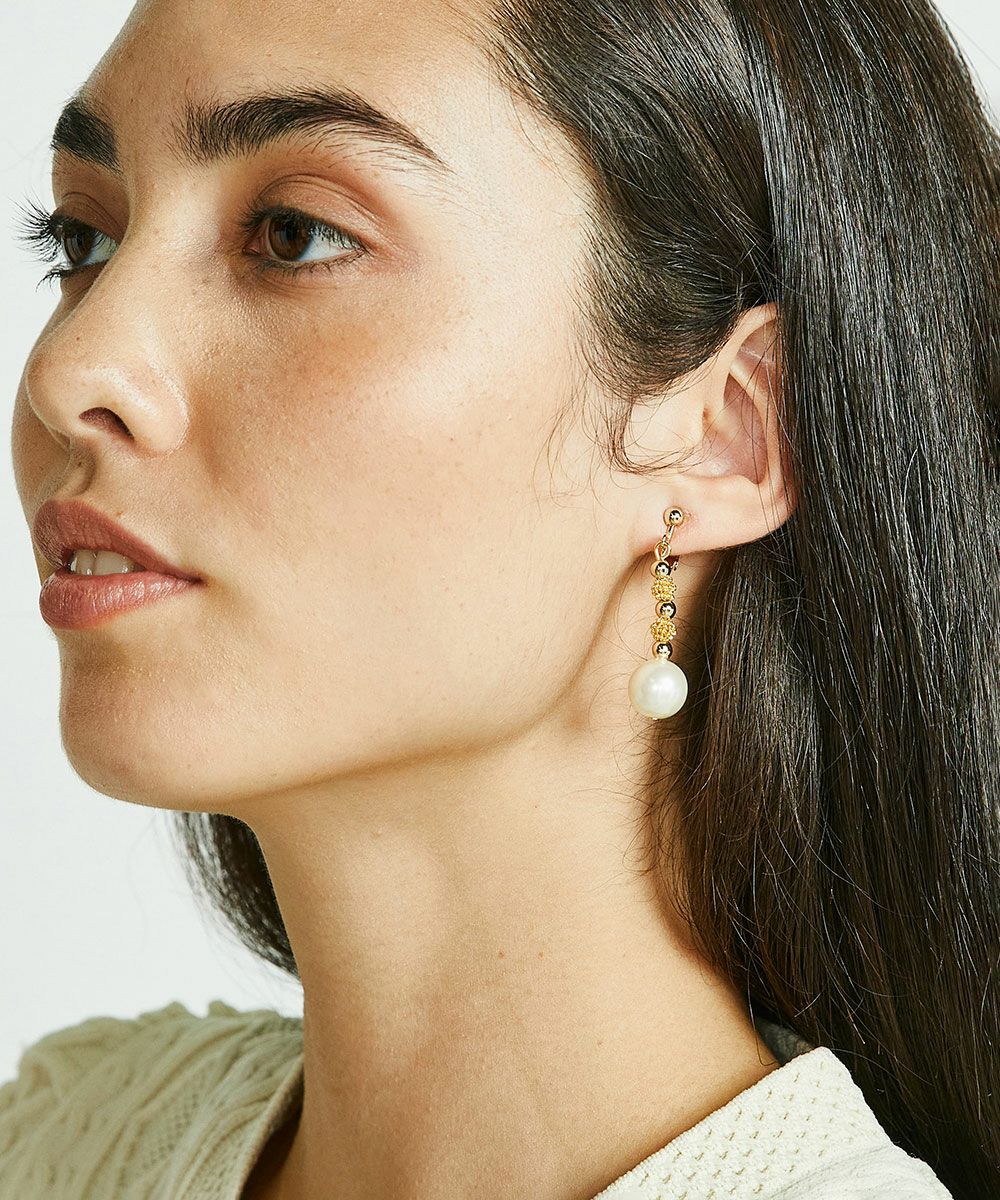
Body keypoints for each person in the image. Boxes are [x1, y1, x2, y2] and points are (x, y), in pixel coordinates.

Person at [3, 0, 996, 1196]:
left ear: (724, 435)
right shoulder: (60, 1147)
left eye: (295, 236)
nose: (68, 372)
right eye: (84, 239)